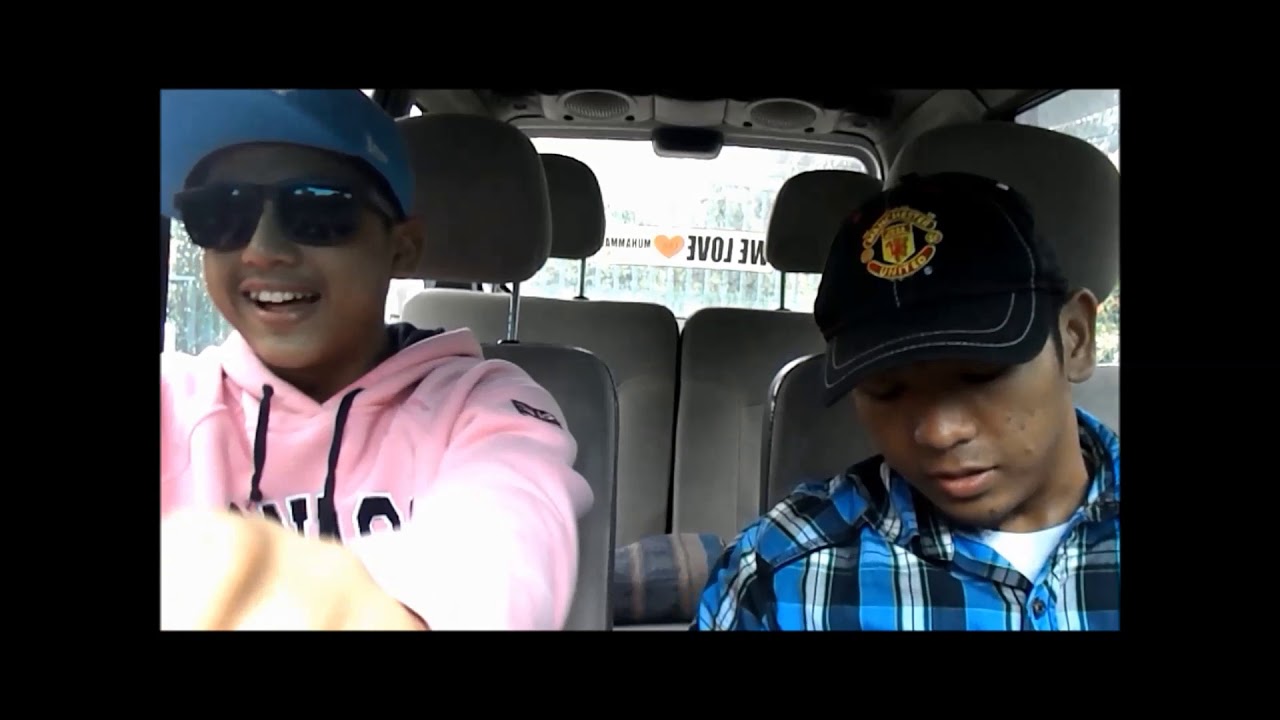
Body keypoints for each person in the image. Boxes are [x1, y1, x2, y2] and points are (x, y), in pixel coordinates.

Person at [159, 89, 594, 631]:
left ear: (402, 248)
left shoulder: (487, 408)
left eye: (318, 209)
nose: (261, 250)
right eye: (220, 212)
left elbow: (501, 546)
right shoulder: (174, 400)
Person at [693, 171, 1119, 631]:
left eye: (979, 374)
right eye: (885, 389)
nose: (937, 433)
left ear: (1076, 338)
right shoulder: (778, 574)